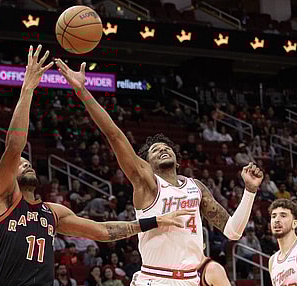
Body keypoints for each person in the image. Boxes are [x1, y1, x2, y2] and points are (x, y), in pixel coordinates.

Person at [0, 45, 194, 286]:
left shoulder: (52, 213)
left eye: (28, 162)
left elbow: (103, 232)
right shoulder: (3, 197)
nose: (26, 164)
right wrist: (27, 89)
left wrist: (155, 221)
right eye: (21, 165)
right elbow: (14, 147)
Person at [55, 58, 264, 286]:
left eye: (166, 147)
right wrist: (82, 91)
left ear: (177, 158)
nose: (163, 149)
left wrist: (250, 191)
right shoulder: (147, 182)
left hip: (190, 281)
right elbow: (114, 135)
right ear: (146, 163)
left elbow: (233, 232)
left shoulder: (196, 188)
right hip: (154, 279)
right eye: (155, 150)